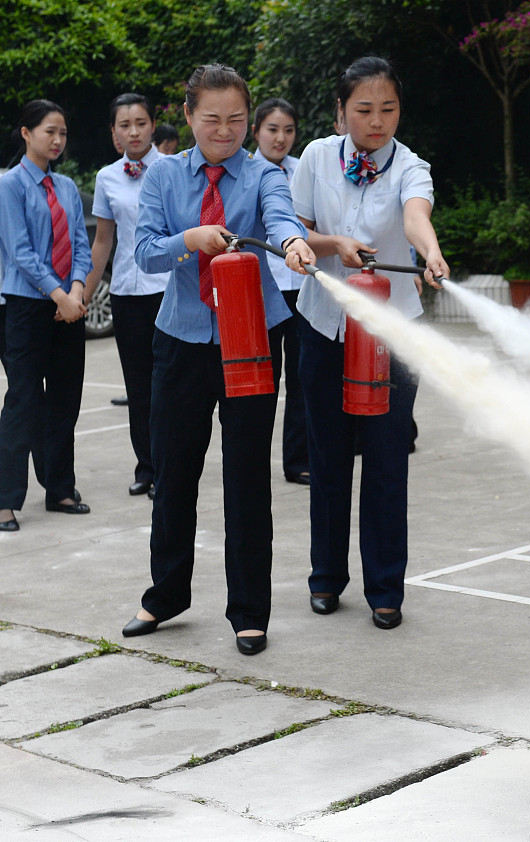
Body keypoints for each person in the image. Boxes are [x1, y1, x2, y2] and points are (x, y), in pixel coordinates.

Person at [120, 64, 316, 655]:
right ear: (188, 117)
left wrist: (293, 242)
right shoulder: (163, 178)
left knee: (248, 473)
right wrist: (191, 239)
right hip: (180, 339)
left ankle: (250, 611)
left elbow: (280, 217)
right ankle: (164, 596)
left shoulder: (262, 175)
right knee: (174, 468)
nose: (225, 130)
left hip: (251, 338)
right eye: (213, 119)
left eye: (236, 119)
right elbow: (147, 253)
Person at [291, 56, 448, 629]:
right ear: (340, 111)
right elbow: (295, 228)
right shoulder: (313, 158)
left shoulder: (410, 165)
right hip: (324, 325)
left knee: (386, 462)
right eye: (364, 109)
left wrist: (429, 250)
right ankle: (326, 579)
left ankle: (386, 590)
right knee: (327, 457)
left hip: (392, 333)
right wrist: (333, 243)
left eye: (388, 109)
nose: (377, 121)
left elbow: (414, 215)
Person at [0, 100, 94, 533]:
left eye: (62, 133)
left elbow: (79, 243)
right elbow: (20, 253)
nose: (57, 140)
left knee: (64, 400)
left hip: (67, 305)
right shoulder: (11, 185)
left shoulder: (69, 187)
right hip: (26, 306)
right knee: (22, 400)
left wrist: (76, 291)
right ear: (25, 133)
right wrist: (58, 294)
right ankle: (5, 499)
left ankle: (59, 488)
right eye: (48, 132)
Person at [85, 94, 171, 499]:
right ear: (114, 132)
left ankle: (171, 466)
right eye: (124, 124)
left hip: (169, 291)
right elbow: (103, 241)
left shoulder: (174, 169)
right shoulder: (107, 178)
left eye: (140, 122)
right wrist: (85, 291)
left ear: (154, 125)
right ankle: (147, 467)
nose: (133, 131)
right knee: (138, 387)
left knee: (170, 385)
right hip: (126, 293)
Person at [250, 98, 309, 486]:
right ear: (255, 131)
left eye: (288, 130)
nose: (281, 137)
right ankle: (253, 461)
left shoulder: (305, 169)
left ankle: (298, 460)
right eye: (273, 129)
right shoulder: (244, 170)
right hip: (262, 288)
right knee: (262, 380)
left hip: (302, 287)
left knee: (303, 378)